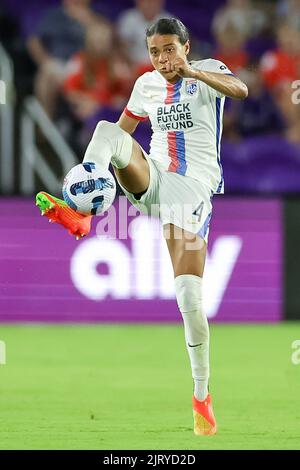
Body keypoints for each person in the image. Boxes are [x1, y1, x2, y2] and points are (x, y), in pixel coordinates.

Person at [36, 18, 248, 436]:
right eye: (155, 52)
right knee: (105, 131)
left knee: (188, 297)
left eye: (169, 49)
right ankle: (83, 208)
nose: (163, 58)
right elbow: (122, 135)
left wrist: (193, 71)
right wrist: (108, 159)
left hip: (190, 196)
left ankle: (201, 395)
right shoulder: (146, 85)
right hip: (152, 181)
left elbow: (241, 90)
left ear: (185, 47)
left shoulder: (210, 71)